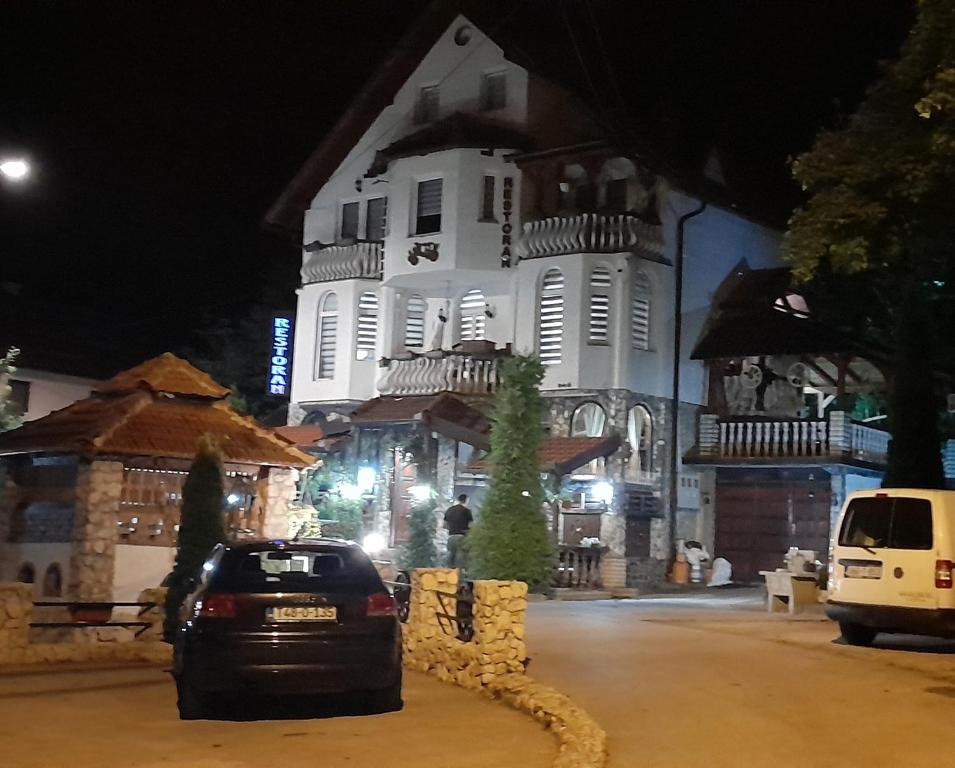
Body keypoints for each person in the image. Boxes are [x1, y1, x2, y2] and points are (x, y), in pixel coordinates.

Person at [444, 494, 473, 569]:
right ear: (466, 500)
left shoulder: (449, 510)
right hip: (461, 536)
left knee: (450, 557)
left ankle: (448, 574)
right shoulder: (466, 511)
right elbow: (471, 526)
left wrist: (452, 528)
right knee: (460, 559)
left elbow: (444, 525)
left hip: (451, 536)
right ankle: (459, 576)